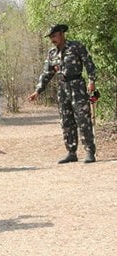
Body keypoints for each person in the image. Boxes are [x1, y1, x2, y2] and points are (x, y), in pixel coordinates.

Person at [27, 24, 97, 164]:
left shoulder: (76, 46)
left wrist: (91, 81)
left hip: (77, 86)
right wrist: (38, 91)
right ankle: (71, 152)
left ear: (61, 34)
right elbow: (47, 74)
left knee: (83, 120)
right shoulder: (52, 53)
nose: (52, 39)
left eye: (54, 36)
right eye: (50, 37)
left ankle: (89, 151)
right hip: (63, 88)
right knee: (66, 121)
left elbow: (89, 64)